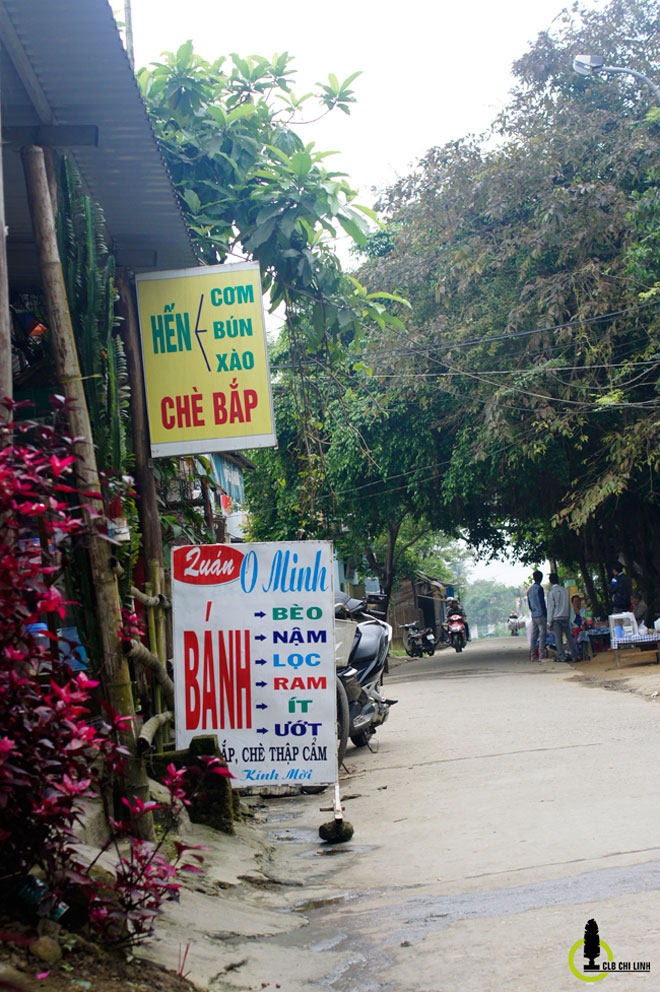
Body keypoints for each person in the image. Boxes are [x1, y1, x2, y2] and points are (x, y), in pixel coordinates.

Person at [546, 573, 578, 663]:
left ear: (550, 581)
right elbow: (568, 604)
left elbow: (550, 607)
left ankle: (562, 656)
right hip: (565, 616)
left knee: (558, 638)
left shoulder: (551, 592)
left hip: (556, 617)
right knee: (569, 637)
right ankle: (574, 656)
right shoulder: (565, 590)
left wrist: (549, 622)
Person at [526, 570, 547, 660]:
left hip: (534, 615)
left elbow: (529, 604)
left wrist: (533, 611)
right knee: (542, 635)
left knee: (534, 635)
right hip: (541, 614)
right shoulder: (539, 588)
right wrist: (545, 613)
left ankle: (533, 655)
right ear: (541, 578)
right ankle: (541, 654)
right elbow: (542, 602)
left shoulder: (529, 590)